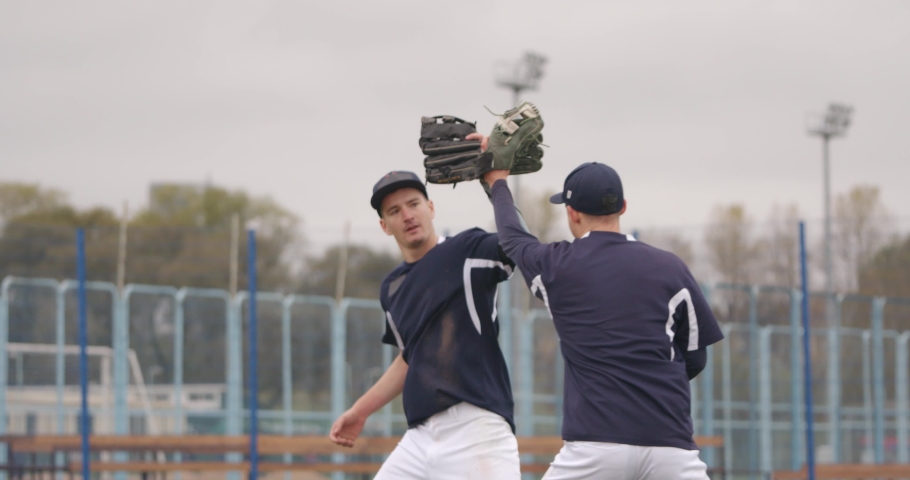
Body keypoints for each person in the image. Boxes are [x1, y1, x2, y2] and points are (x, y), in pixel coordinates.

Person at [482, 162, 724, 480]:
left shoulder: (557, 265)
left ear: (572, 213)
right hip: (670, 447)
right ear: (623, 207)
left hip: (594, 448)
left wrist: (496, 182)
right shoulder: (669, 267)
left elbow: (513, 238)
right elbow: (695, 358)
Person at [329, 170, 521, 479]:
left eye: (413, 203)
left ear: (430, 208)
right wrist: (360, 410)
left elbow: (518, 242)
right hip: (419, 439)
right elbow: (411, 359)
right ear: (384, 226)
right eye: (394, 211)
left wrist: (495, 184)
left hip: (476, 430)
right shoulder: (392, 288)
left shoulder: (467, 250)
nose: (407, 215)